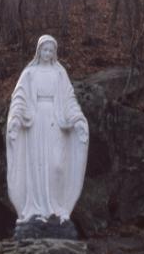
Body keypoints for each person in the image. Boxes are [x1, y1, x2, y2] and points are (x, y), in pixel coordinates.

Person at [6, 35, 89, 225]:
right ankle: (35, 210)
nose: (48, 53)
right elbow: (19, 98)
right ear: (38, 51)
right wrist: (16, 119)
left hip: (55, 120)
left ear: (55, 53)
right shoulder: (29, 74)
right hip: (36, 122)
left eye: (51, 51)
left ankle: (57, 208)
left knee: (57, 164)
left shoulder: (60, 74)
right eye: (45, 50)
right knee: (37, 165)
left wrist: (77, 119)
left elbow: (69, 99)